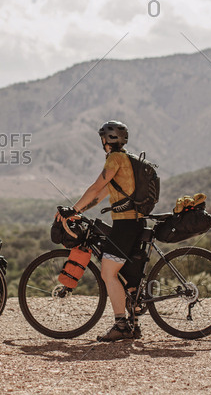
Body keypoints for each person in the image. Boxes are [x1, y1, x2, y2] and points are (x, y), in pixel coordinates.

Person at [56, 120, 148, 342]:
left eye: (103, 138)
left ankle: (121, 325)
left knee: (108, 273)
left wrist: (72, 209)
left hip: (125, 224)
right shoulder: (126, 161)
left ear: (107, 140)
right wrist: (79, 210)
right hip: (135, 222)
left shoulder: (115, 159)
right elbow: (100, 195)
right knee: (125, 275)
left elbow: (96, 187)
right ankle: (134, 326)